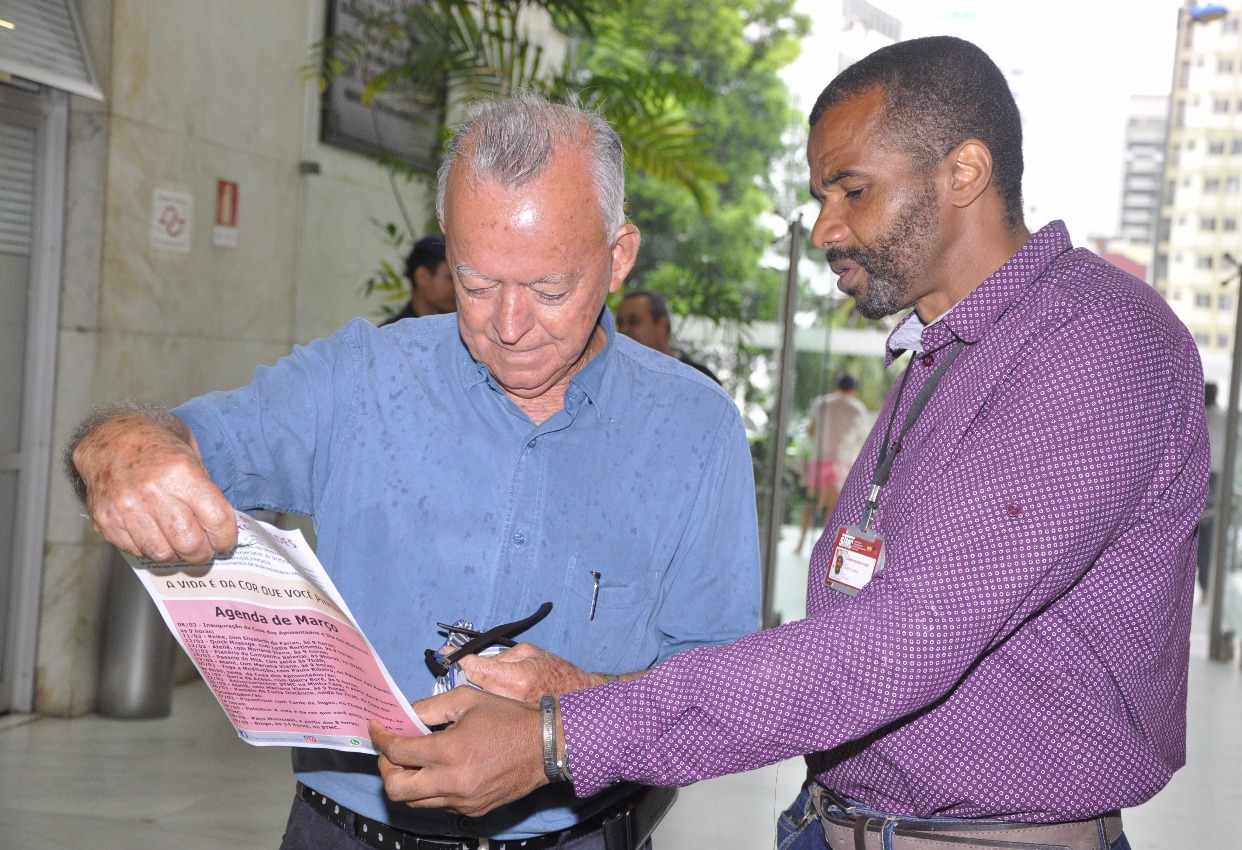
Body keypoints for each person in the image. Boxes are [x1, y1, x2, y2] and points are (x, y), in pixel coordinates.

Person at [369, 37, 1209, 850]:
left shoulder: (1094, 347)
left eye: (851, 191)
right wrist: (593, 695)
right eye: (820, 196)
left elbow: (899, 644)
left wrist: (561, 736)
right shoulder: (950, 347)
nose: (824, 230)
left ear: (965, 172)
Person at [66, 92, 761, 850]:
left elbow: (721, 689)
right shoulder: (363, 378)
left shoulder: (696, 430)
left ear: (619, 255)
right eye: (477, 283)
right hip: (345, 832)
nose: (509, 324)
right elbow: (188, 444)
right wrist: (119, 448)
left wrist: (570, 713)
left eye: (549, 289)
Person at [794, 373, 869, 555]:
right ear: (853, 390)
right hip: (842, 463)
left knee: (812, 503)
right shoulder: (858, 408)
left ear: (836, 386)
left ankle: (801, 544)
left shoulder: (821, 402)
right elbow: (862, 438)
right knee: (833, 509)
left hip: (819, 459)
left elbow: (811, 431)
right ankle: (826, 547)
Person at [615, 289, 721, 384]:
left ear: (663, 326)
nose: (623, 330)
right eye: (620, 323)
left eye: (634, 321)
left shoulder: (701, 381)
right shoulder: (617, 376)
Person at [381, 234, 456, 325]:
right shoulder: (391, 335)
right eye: (451, 278)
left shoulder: (453, 331)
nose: (457, 288)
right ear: (422, 276)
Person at [1199, 381, 1228, 600]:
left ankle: (1204, 588)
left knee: (1195, 532)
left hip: (1202, 476)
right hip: (1216, 477)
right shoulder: (1222, 419)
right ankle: (1206, 589)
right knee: (1206, 536)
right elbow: (1241, 447)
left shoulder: (1201, 416)